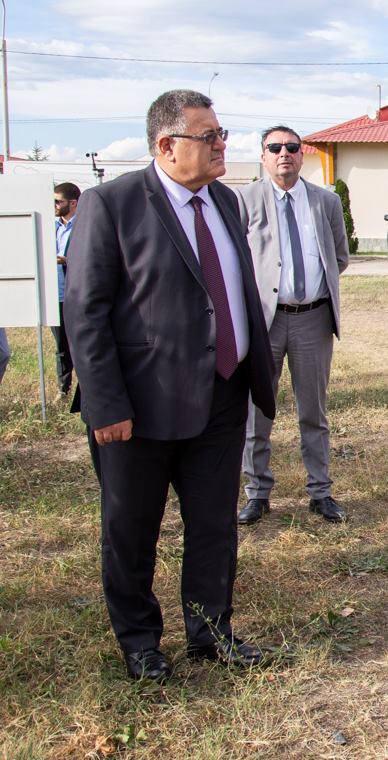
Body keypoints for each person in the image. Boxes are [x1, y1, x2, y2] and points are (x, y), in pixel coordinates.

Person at [64, 89, 277, 682]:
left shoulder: (225, 201)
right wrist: (105, 403)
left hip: (222, 394)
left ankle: (211, 634)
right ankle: (140, 643)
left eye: (221, 133)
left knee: (213, 526)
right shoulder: (112, 204)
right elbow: (85, 312)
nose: (221, 144)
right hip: (140, 406)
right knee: (131, 529)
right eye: (209, 136)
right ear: (166, 145)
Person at [236, 125, 350, 525]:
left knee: (313, 411)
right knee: (257, 412)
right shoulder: (244, 200)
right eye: (275, 147)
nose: (284, 153)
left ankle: (320, 493)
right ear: (263, 156)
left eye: (292, 147)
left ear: (303, 154)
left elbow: (339, 257)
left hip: (313, 319)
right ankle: (257, 493)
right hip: (263, 321)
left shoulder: (325, 201)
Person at [53, 182, 81, 396]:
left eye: (58, 201)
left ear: (73, 203)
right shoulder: (49, 226)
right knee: (61, 347)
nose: (54, 205)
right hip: (55, 295)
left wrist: (68, 260)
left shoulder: (83, 225)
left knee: (80, 344)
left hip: (76, 295)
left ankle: (86, 389)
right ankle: (64, 390)